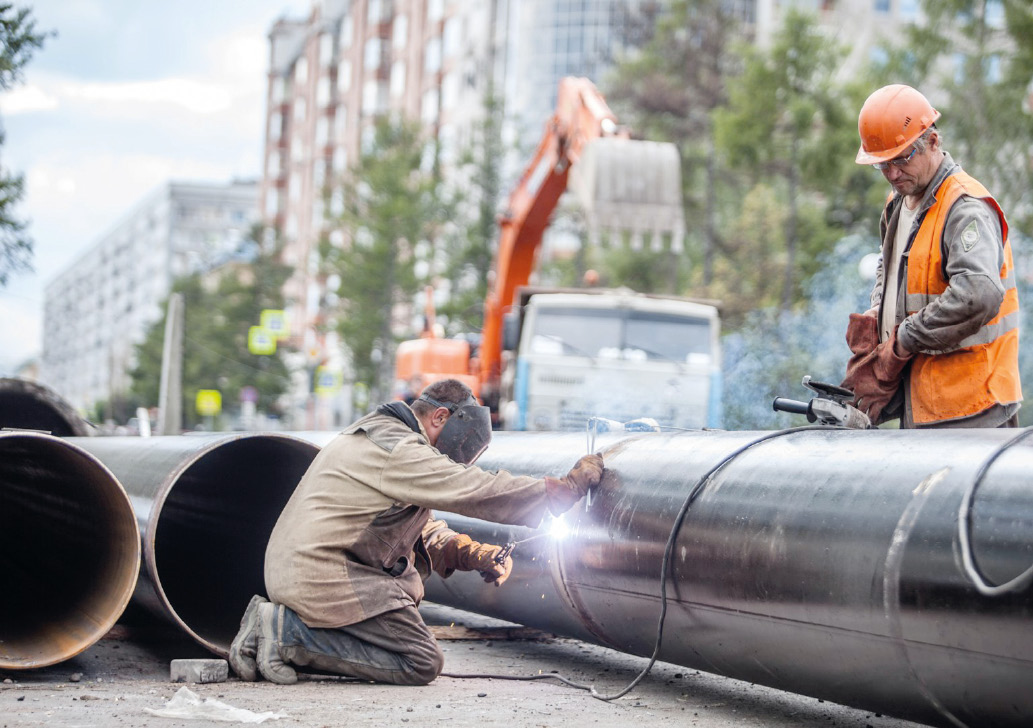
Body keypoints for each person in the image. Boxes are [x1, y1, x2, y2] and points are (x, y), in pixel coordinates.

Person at [228, 378, 604, 686]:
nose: (445, 461)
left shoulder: (383, 439)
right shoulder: (398, 448)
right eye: (451, 453)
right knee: (420, 661)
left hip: (308, 569)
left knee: (406, 647)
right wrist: (561, 491)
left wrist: (472, 553)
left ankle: (283, 632)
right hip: (323, 575)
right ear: (440, 417)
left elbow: (416, 528)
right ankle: (285, 634)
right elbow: (473, 488)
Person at [842, 84, 1021, 428]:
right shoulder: (899, 201)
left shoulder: (964, 207)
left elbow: (978, 294)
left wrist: (904, 338)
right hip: (927, 401)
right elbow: (890, 263)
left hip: (972, 405)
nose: (892, 174)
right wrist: (880, 309)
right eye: (883, 165)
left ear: (933, 142)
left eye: (902, 159)